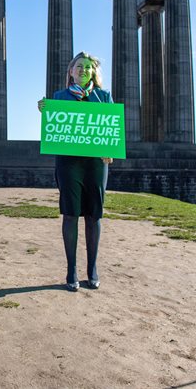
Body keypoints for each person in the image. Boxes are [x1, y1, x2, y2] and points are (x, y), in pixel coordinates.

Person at [37, 51, 114, 292]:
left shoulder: (103, 97)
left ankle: (92, 268)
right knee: (70, 214)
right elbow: (56, 130)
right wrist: (45, 111)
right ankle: (71, 269)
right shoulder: (59, 97)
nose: (83, 70)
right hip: (69, 162)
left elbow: (111, 129)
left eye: (88, 67)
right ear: (71, 71)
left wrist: (110, 148)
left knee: (94, 215)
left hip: (95, 163)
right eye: (78, 66)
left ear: (93, 72)